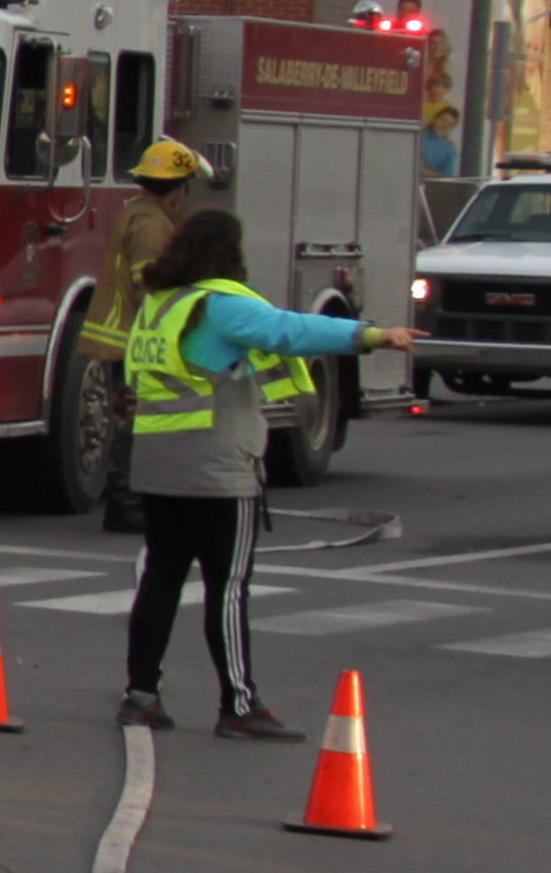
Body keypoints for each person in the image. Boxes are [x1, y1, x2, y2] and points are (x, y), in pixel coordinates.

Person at [119, 207, 412, 739]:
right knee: (228, 589)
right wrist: (372, 336)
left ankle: (140, 695)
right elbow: (290, 331)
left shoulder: (158, 305)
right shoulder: (220, 306)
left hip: (158, 465)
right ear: (230, 254)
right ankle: (239, 705)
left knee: (160, 579)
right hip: (217, 468)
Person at [86, 135, 211, 532]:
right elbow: (151, 287)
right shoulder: (153, 224)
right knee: (133, 420)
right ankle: (125, 504)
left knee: (131, 418)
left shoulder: (138, 213)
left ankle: (128, 500)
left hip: (125, 337)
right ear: (179, 185)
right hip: (135, 340)